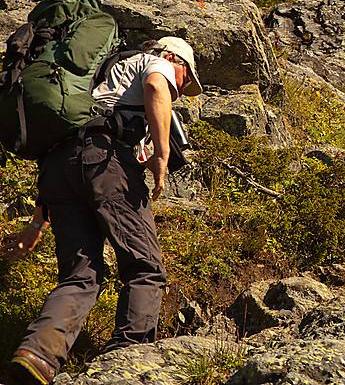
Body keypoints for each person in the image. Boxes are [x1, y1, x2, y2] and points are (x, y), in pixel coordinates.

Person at [2, 37, 203, 385]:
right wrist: (162, 154)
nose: (180, 91)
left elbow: (71, 145)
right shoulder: (151, 63)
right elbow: (157, 85)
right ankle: (128, 356)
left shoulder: (97, 76)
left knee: (80, 275)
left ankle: (37, 354)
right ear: (172, 57)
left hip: (58, 168)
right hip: (105, 161)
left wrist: (36, 225)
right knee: (145, 267)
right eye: (185, 80)